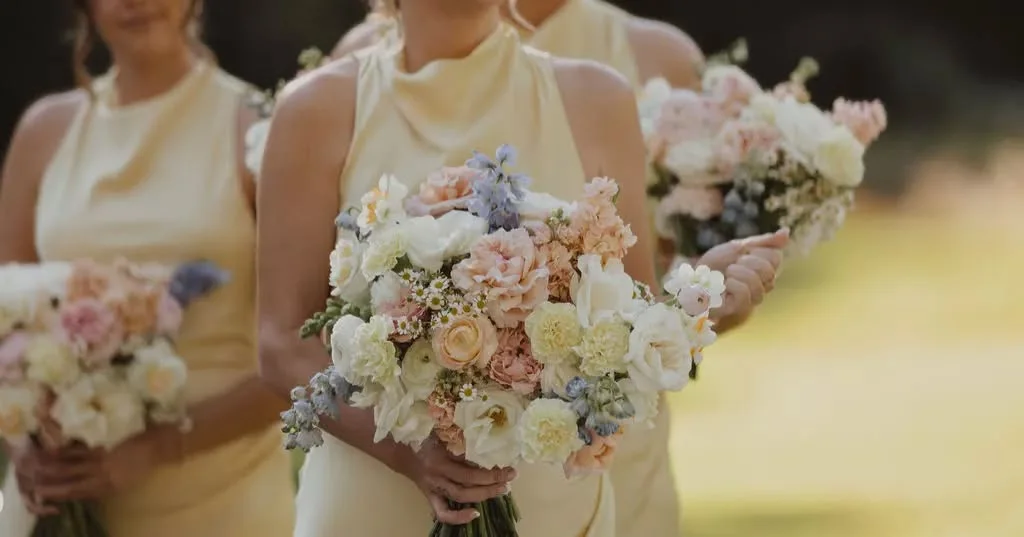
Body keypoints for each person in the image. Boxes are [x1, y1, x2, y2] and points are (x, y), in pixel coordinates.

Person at [256, 0, 784, 535]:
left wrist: (698, 300)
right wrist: (406, 456)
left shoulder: (597, 99)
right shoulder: (315, 109)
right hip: (370, 505)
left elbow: (628, 325)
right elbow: (280, 340)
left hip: (549, 507)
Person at [0, 1, 294, 536]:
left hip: (220, 498)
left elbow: (300, 348)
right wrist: (22, 443)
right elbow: (4, 328)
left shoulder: (256, 125)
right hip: (56, 494)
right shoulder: (44, 131)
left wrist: (160, 447)